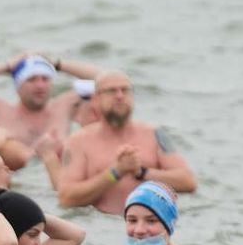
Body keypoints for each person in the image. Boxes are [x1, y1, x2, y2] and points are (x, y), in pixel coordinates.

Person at [60, 71, 196, 214]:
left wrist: (142, 172)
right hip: (103, 224)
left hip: (150, 226)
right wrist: (115, 173)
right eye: (111, 91)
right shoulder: (78, 142)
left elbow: (187, 182)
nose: (120, 96)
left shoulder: (154, 134)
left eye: (125, 90)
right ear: (95, 100)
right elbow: (66, 197)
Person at [0, 53, 102, 145]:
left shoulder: (64, 105)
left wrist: (58, 64)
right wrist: (7, 66)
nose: (40, 85)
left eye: (45, 79)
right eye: (32, 80)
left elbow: (107, 79)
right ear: (18, 86)